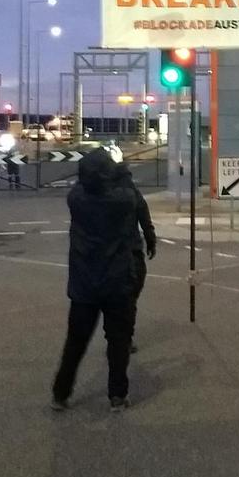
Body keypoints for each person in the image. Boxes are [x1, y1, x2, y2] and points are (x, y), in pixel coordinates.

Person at [52, 148, 138, 412]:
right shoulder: (122, 201)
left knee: (75, 342)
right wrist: (121, 166)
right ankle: (117, 395)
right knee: (118, 342)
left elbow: (85, 183)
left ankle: (61, 393)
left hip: (84, 284)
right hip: (117, 283)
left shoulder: (76, 198)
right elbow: (128, 188)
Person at [114, 163, 156, 353]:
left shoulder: (107, 194)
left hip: (112, 254)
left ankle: (114, 335)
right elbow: (145, 221)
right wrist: (151, 242)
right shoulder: (133, 193)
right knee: (131, 298)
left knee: (115, 301)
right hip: (132, 251)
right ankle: (125, 337)